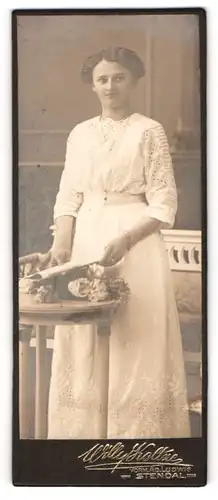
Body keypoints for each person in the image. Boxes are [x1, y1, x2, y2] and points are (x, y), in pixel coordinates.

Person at [47, 46, 190, 439]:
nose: (110, 86)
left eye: (119, 78)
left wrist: (126, 239)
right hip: (87, 240)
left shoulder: (149, 131)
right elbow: (68, 195)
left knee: (134, 337)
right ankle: (83, 438)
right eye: (102, 80)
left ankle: (134, 442)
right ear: (92, 86)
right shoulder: (80, 134)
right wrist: (63, 241)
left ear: (134, 81)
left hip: (135, 243)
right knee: (85, 338)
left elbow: (164, 205)